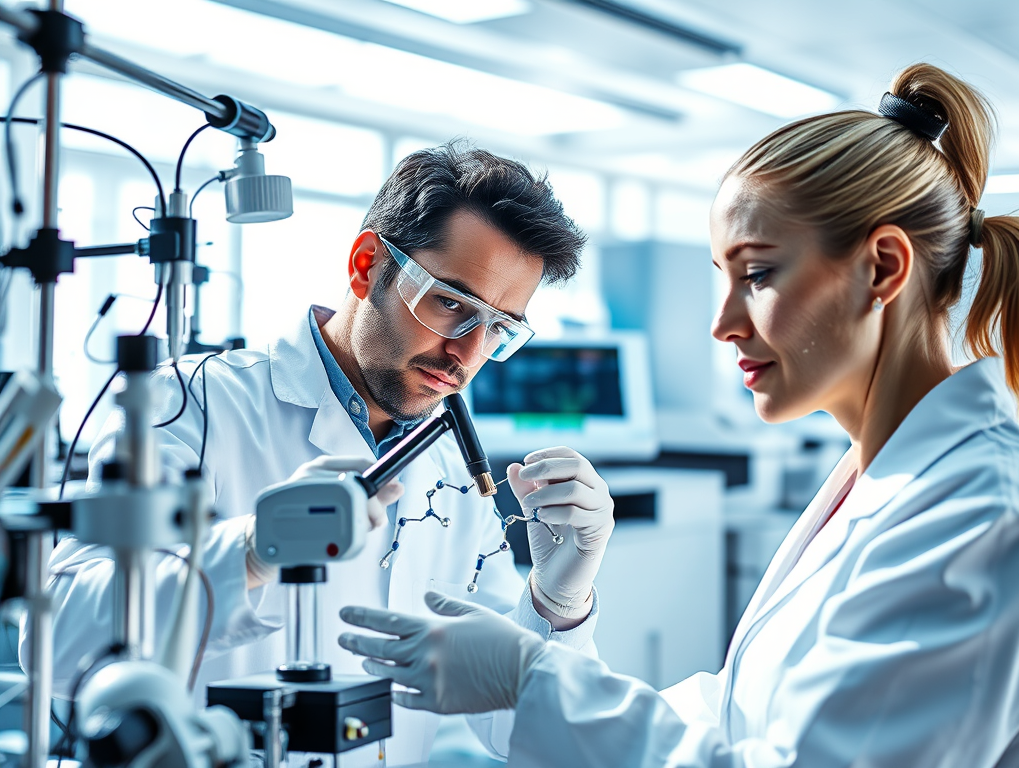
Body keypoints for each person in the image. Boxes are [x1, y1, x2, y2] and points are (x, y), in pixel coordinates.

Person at [339, 64, 1019, 767]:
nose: (721, 324)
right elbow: (731, 718)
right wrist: (555, 624)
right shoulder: (881, 479)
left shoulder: (978, 514)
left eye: (756, 275)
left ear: (882, 268)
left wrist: (530, 679)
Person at [34, 141, 616, 766]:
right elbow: (65, 648)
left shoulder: (449, 465)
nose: (468, 355)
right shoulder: (190, 404)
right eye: (451, 304)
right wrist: (255, 550)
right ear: (368, 265)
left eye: (499, 327)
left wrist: (556, 607)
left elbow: (508, 723)